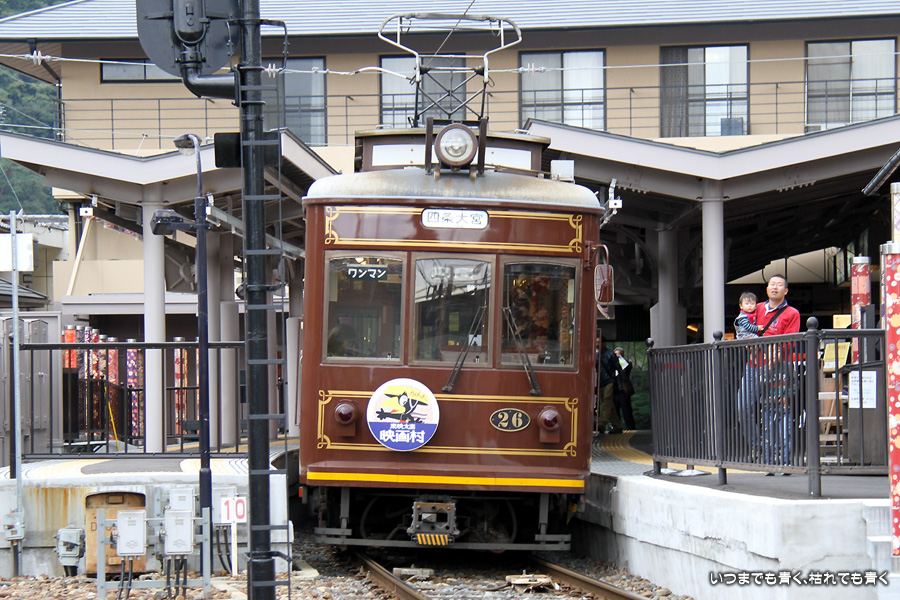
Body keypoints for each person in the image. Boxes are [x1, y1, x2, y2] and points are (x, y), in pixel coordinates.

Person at [595, 339, 623, 434]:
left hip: (609, 381)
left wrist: (623, 380)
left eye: (598, 342)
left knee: (606, 402)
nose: (596, 344)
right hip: (600, 382)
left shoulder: (610, 354)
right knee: (609, 405)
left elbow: (618, 367)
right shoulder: (597, 355)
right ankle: (617, 426)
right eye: (595, 342)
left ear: (604, 343)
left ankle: (602, 424)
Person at [613, 347, 636, 430]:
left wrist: (620, 359)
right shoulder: (612, 364)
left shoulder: (626, 363)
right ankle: (617, 427)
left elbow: (626, 370)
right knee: (615, 410)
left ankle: (631, 427)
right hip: (615, 390)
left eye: (618, 354)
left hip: (623, 390)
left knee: (626, 411)